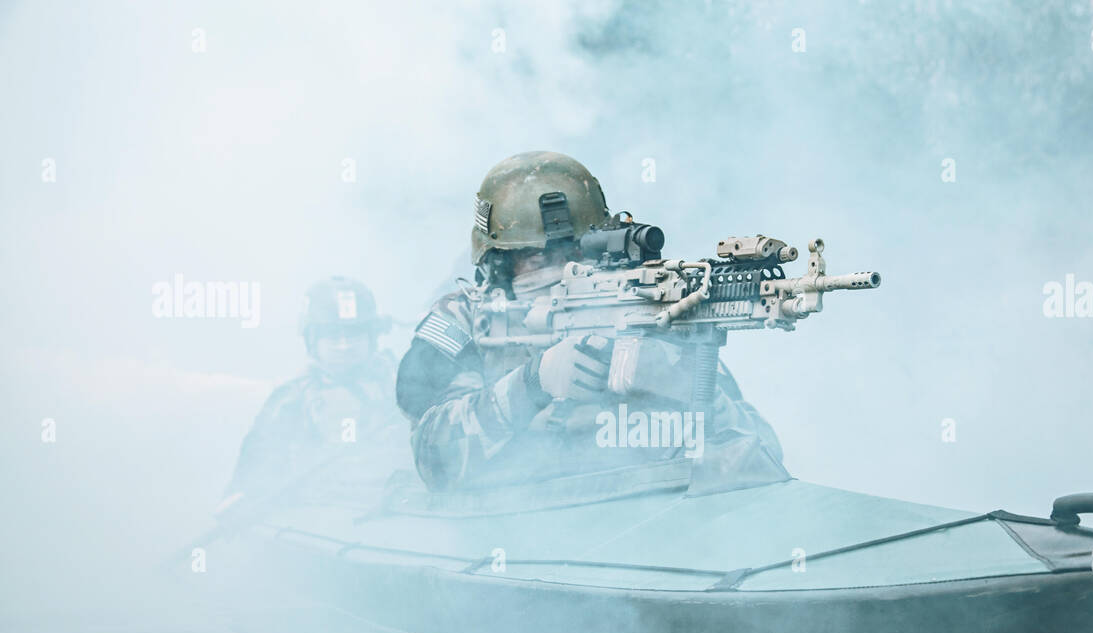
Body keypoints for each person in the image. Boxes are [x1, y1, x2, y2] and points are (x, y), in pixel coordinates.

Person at [394, 151, 783, 494]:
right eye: (532, 258)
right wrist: (533, 382)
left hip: (640, 522)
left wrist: (685, 386)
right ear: (498, 263)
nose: (559, 271)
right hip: (510, 529)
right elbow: (435, 462)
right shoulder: (464, 320)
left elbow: (761, 459)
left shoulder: (649, 308)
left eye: (572, 252)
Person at [226, 275, 402, 498]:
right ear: (312, 339)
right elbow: (253, 477)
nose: (344, 345)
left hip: (400, 512)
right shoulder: (291, 400)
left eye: (354, 333)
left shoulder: (406, 387)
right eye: (332, 335)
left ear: (372, 335)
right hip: (316, 519)